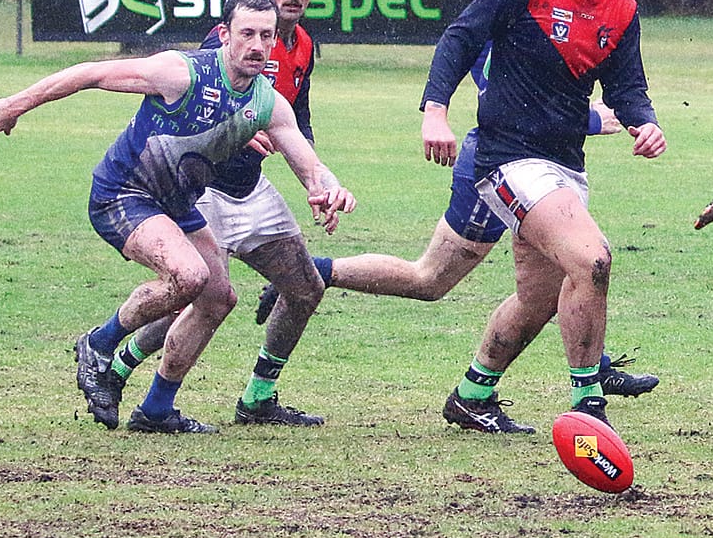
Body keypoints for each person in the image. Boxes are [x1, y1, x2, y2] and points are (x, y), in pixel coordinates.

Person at [0, 0, 355, 433]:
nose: (257, 45)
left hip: (176, 205)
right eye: (247, 33)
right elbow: (91, 73)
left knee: (218, 297)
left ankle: (157, 409)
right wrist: (14, 105)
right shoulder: (181, 73)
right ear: (224, 35)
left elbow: (307, 161)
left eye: (267, 36)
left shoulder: (267, 103)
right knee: (189, 276)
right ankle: (99, 344)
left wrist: (328, 188)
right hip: (123, 193)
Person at [419, 0, 665, 434]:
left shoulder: (621, 5)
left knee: (538, 299)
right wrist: (435, 112)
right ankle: (589, 403)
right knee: (592, 260)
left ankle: (471, 396)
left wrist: (644, 121)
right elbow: (459, 38)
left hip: (563, 164)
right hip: (507, 159)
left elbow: (627, 86)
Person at [261, 93, 660, 400]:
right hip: (499, 159)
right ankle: (313, 271)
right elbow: (501, 95)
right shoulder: (515, 7)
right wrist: (587, 118)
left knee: (554, 278)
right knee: (431, 279)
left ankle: (484, 393)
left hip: (540, 164)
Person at [93, 0, 338, 426]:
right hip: (206, 192)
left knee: (305, 288)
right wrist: (245, 131)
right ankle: (122, 372)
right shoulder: (224, 45)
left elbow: (296, 121)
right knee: (203, 294)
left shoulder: (301, 45)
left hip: (253, 191)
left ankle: (257, 399)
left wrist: (316, 176)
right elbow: (205, 113)